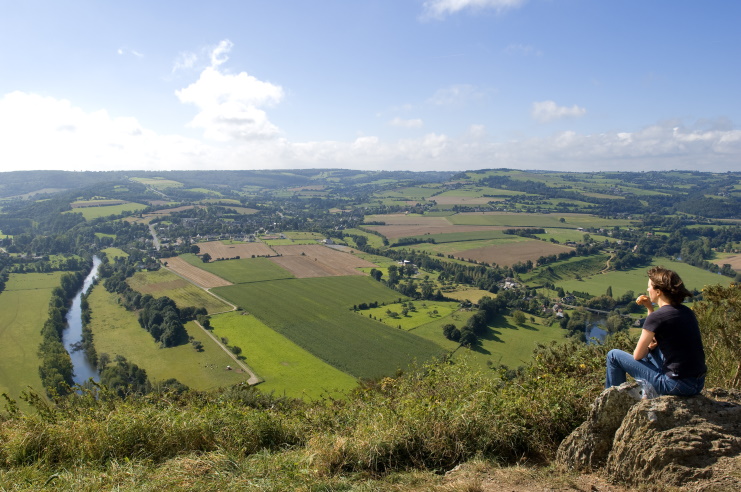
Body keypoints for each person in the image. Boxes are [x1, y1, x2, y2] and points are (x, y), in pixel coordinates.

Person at [605, 266, 706, 396]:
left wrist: (648, 348)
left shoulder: (657, 317)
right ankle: (646, 394)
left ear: (658, 291)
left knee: (613, 355)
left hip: (674, 386)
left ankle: (614, 400)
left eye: (650, 287)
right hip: (696, 384)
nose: (647, 290)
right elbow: (657, 329)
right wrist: (649, 308)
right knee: (654, 350)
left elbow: (637, 355)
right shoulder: (686, 312)